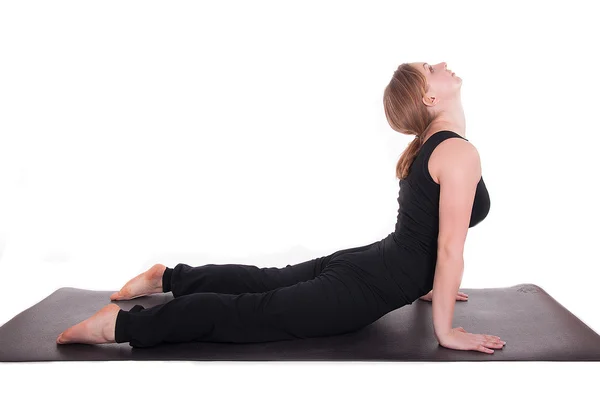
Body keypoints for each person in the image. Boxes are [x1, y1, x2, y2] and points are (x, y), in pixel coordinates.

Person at [56, 61, 505, 354]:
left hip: (370, 264)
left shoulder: (432, 145)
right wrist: (445, 331)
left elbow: (422, 231)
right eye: (432, 68)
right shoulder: (457, 152)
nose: (442, 64)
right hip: (365, 282)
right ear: (430, 99)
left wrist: (427, 285)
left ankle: (169, 277)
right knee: (256, 312)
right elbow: (446, 249)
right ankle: (120, 325)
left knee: (264, 283)